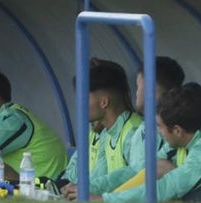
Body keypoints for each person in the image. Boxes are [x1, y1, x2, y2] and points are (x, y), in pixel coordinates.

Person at [63, 55, 185, 200]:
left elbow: (139, 174)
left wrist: (101, 198)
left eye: (138, 86)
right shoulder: (104, 131)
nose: (136, 93)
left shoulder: (138, 130)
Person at [56, 58, 139, 192]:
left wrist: (87, 190)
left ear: (104, 102)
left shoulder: (136, 130)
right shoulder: (107, 132)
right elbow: (97, 176)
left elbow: (140, 174)